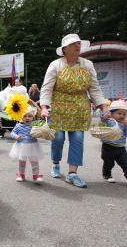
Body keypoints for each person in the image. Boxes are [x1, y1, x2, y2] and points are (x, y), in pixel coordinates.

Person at [40, 34, 107, 188]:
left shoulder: (87, 64)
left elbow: (94, 88)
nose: (77, 46)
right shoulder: (55, 65)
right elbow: (47, 87)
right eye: (73, 44)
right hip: (58, 107)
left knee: (77, 140)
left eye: (78, 43)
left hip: (80, 108)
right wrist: (44, 107)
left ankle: (72, 173)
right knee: (58, 139)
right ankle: (56, 163)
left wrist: (102, 105)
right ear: (64, 49)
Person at [100, 100, 127, 184]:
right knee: (109, 163)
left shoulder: (124, 123)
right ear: (111, 114)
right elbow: (103, 119)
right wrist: (105, 115)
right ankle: (107, 175)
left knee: (126, 163)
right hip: (108, 147)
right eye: (119, 113)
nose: (122, 116)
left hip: (121, 148)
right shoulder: (109, 121)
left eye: (124, 114)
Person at [9, 106, 43, 182]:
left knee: (34, 161)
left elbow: (42, 127)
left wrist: (41, 131)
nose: (27, 118)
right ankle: (21, 174)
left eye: (30, 116)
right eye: (25, 116)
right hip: (21, 146)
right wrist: (16, 136)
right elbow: (12, 133)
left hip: (33, 146)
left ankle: (36, 175)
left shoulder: (35, 124)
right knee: (22, 161)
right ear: (21, 117)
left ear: (33, 117)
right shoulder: (18, 126)